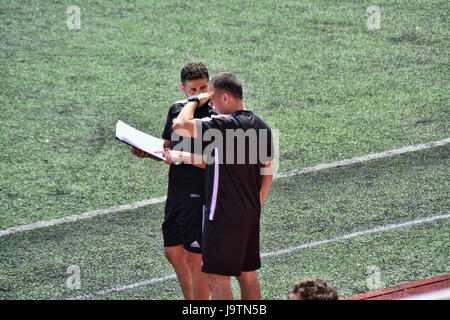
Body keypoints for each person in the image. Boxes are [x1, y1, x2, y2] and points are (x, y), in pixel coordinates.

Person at [172, 72, 274, 300]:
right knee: (247, 275)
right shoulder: (262, 126)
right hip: (249, 215)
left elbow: (181, 126)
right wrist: (257, 204)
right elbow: (267, 171)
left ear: (225, 98)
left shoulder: (224, 125)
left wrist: (193, 101)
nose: (211, 106)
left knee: (217, 279)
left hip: (222, 216)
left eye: (213, 99)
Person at [132, 62, 215, 300]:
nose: (199, 94)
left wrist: (182, 157)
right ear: (182, 88)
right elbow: (166, 146)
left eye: (203, 87)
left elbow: (215, 161)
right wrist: (147, 152)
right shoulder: (176, 109)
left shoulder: (215, 116)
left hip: (199, 197)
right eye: (193, 90)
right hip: (176, 193)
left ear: (209, 85)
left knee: (196, 259)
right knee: (173, 253)